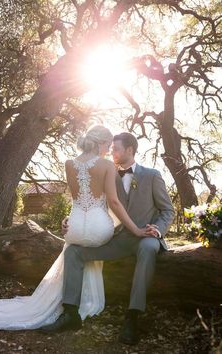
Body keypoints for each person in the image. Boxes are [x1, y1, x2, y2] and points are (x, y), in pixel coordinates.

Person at [0, 125, 151, 332]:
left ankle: (70, 311)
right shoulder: (107, 165)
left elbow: (78, 201)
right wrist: (135, 230)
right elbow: (113, 202)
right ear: (100, 143)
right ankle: (86, 303)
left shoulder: (69, 164)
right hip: (99, 231)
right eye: (108, 146)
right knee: (95, 236)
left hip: (73, 228)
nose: (109, 150)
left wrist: (69, 220)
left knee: (73, 250)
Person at [42, 131, 175, 345]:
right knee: (73, 251)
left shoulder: (152, 175)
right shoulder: (107, 171)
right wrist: (71, 219)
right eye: (110, 148)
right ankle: (70, 313)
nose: (111, 151)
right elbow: (90, 201)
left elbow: (168, 210)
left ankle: (132, 317)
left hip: (146, 237)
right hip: (118, 239)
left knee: (149, 248)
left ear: (130, 150)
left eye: (116, 149)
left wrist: (157, 230)